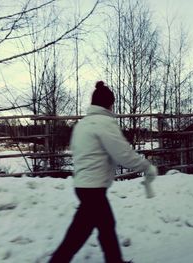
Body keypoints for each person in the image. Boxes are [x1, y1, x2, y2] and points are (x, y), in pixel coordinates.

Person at [48, 81, 158, 263]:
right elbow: (123, 154)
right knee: (79, 234)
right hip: (94, 188)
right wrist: (146, 166)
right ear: (109, 104)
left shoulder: (82, 124)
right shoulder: (105, 123)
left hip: (83, 185)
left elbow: (79, 152)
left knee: (103, 227)